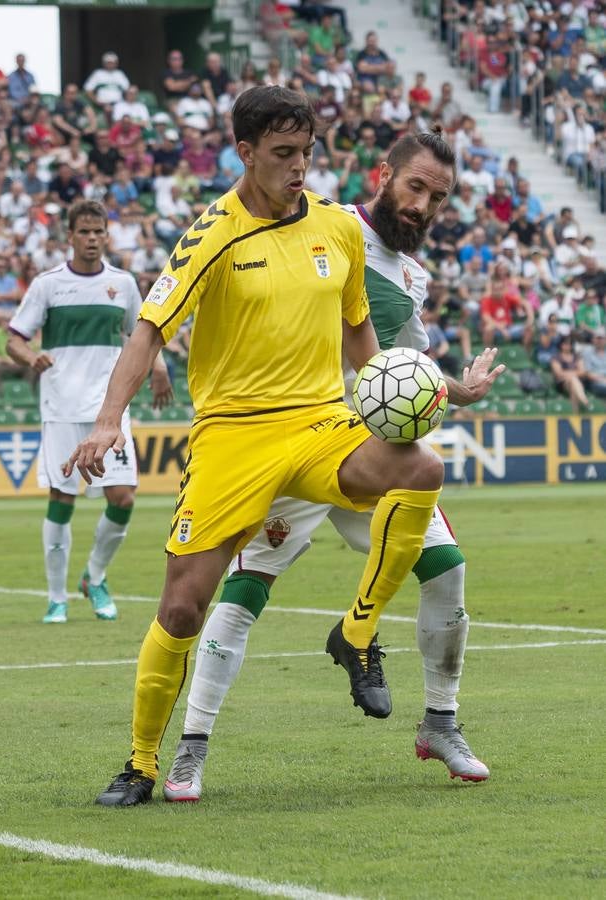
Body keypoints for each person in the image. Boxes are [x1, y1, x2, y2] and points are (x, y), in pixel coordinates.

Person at [64, 86, 447, 807]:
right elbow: (148, 329)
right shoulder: (213, 232)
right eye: (282, 155)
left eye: (306, 153)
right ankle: (142, 763)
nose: (299, 167)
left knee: (421, 465)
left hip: (318, 425)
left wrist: (401, 394)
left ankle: (356, 630)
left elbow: (361, 336)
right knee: (182, 608)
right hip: (233, 437)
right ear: (244, 153)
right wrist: (107, 421)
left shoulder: (336, 229)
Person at [163, 131, 501, 803]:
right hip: (293, 440)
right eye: (415, 188)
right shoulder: (326, 226)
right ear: (384, 174)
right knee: (242, 591)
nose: (425, 206)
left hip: (368, 456)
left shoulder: (413, 276)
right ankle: (191, 747)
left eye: (439, 198)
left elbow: (408, 371)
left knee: (447, 571)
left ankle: (440, 722)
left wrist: (458, 389)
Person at [6, 200, 172, 625]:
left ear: (107, 236)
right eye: (84, 232)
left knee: (123, 497)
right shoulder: (48, 284)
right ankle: (56, 597)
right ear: (70, 236)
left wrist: (158, 368)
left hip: (108, 410)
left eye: (99, 232)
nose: (93, 239)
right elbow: (14, 339)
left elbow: (144, 333)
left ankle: (94, 578)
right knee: (62, 498)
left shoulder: (123, 282)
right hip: (61, 407)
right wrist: (31, 358)